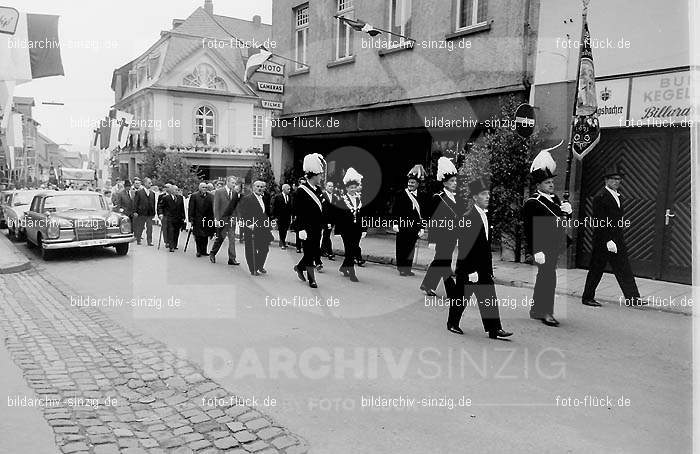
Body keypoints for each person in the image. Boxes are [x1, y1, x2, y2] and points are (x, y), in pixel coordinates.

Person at [448, 177, 513, 339]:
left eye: (488, 194)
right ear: (475, 197)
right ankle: (452, 323)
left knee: (489, 297)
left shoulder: (486, 216)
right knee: (461, 297)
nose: (487, 197)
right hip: (469, 267)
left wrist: (489, 270)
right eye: (484, 194)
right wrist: (471, 271)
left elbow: (484, 247)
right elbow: (464, 248)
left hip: (482, 266)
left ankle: (494, 329)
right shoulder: (468, 217)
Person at [522, 141, 573, 327]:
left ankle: (536, 309)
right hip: (542, 247)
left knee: (544, 277)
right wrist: (535, 250)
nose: (551, 185)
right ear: (539, 185)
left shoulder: (555, 199)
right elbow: (528, 229)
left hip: (555, 244)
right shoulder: (532, 202)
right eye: (547, 182)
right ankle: (546, 312)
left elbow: (561, 221)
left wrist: (568, 211)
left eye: (552, 182)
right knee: (548, 279)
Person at [582, 164, 644, 307]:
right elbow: (600, 221)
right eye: (614, 179)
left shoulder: (618, 197)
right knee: (596, 269)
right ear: (606, 180)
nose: (617, 181)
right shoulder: (600, 197)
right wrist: (608, 241)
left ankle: (633, 298)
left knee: (624, 267)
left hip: (617, 238)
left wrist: (616, 238)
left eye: (619, 179)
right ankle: (587, 297)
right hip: (603, 240)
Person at [420, 157, 463, 297]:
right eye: (452, 181)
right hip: (441, 236)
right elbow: (433, 220)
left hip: (452, 235)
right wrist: (432, 240)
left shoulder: (456, 198)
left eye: (455, 181)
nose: (454, 183)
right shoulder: (438, 198)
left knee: (441, 260)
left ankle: (428, 285)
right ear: (444, 183)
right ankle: (451, 290)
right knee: (443, 261)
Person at [293, 154, 326, 288]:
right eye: (319, 175)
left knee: (313, 252)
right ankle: (312, 279)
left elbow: (321, 210)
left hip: (317, 227)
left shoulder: (318, 190)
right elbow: (297, 211)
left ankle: (299, 267)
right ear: (313, 176)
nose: (321, 178)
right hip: (305, 228)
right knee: (308, 253)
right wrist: (300, 229)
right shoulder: (301, 191)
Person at [392, 164, 426, 276]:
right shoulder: (401, 194)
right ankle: (401, 268)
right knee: (401, 247)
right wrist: (395, 223)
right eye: (409, 182)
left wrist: (422, 227)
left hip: (414, 226)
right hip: (402, 225)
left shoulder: (421, 196)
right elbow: (395, 210)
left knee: (411, 248)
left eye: (413, 183)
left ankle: (408, 268)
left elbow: (423, 213)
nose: (410, 184)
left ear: (418, 184)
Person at [334, 168, 366, 282]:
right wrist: (337, 231)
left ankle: (343, 267)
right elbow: (338, 217)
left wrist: (364, 229)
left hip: (357, 230)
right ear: (347, 188)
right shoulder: (342, 200)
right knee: (350, 250)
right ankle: (352, 273)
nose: (353, 189)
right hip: (346, 230)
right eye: (350, 187)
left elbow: (363, 216)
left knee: (353, 249)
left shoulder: (359, 199)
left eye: (354, 187)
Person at [238, 180, 274, 275]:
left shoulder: (265, 198)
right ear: (253, 187)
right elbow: (243, 213)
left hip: (263, 227)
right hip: (251, 227)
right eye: (257, 186)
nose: (259, 188)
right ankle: (253, 269)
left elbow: (266, 212)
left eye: (261, 187)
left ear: (264, 188)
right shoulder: (247, 198)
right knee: (251, 249)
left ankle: (259, 265)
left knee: (264, 249)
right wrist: (249, 224)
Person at [209, 176, 240, 265]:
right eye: (232, 183)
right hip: (222, 220)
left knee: (232, 240)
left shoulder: (235, 193)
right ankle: (213, 253)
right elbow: (216, 207)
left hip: (231, 220)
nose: (234, 185)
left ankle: (232, 258)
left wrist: (237, 218)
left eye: (235, 183)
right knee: (220, 238)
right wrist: (216, 220)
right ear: (228, 182)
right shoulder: (219, 192)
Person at [188, 182, 215, 257]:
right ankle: (199, 251)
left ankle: (204, 250)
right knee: (198, 236)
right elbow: (191, 208)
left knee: (205, 236)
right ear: (199, 188)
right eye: (203, 187)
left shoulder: (211, 196)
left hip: (207, 219)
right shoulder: (194, 196)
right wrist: (191, 219)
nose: (204, 189)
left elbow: (213, 208)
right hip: (197, 219)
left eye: (206, 187)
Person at [158, 184, 186, 252]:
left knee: (176, 232)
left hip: (178, 218)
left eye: (177, 190)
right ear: (171, 191)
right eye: (175, 190)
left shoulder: (180, 198)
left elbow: (182, 208)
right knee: (170, 231)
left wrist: (183, 217)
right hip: (169, 217)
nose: (177, 191)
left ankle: (175, 244)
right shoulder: (166, 198)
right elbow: (160, 206)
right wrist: (161, 214)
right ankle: (171, 246)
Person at [134, 177, 156, 246]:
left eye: (151, 183)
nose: (151, 184)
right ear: (145, 183)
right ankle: (138, 239)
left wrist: (153, 213)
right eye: (149, 183)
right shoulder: (139, 192)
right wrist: (135, 211)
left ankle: (149, 241)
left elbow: (153, 203)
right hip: (141, 213)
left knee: (150, 228)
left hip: (149, 214)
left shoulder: (152, 193)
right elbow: (135, 203)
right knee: (140, 227)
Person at [272, 184, 293, 249]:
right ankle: (282, 242)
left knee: (285, 229)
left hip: (287, 216)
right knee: (281, 230)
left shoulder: (290, 197)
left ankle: (282, 241)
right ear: (283, 189)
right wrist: (275, 217)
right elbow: (274, 207)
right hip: (280, 217)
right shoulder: (278, 197)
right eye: (288, 189)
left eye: (289, 189)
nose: (289, 190)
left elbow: (290, 207)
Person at [321, 181, 337, 260]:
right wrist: (327, 222)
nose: (331, 188)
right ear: (326, 187)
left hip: (332, 220)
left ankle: (322, 250)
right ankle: (330, 252)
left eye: (332, 186)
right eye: (329, 186)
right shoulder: (323, 196)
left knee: (325, 235)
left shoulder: (334, 197)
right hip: (325, 220)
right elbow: (324, 210)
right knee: (327, 236)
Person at [292, 177, 306, 253]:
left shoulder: (308, 192)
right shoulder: (296, 192)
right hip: (299, 215)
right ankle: (298, 247)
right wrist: (294, 215)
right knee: (298, 231)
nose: (303, 184)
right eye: (302, 183)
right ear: (299, 183)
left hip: (306, 215)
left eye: (304, 183)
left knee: (305, 231)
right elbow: (294, 205)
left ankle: (304, 246)